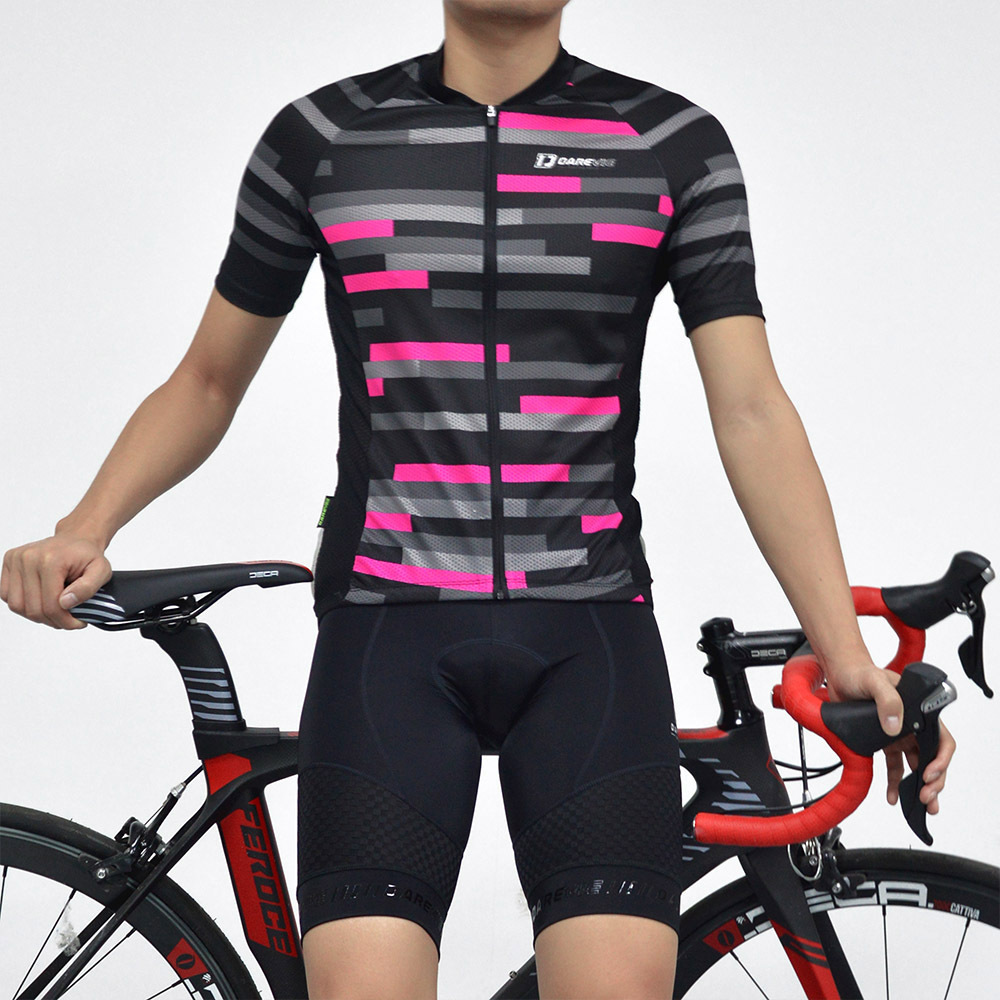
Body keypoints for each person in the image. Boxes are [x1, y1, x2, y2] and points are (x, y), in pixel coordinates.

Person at [0, 1, 957, 997]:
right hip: (386, 633)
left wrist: (844, 653)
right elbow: (207, 381)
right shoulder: (322, 138)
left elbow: (751, 409)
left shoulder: (671, 144)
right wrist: (83, 529)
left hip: (588, 631)